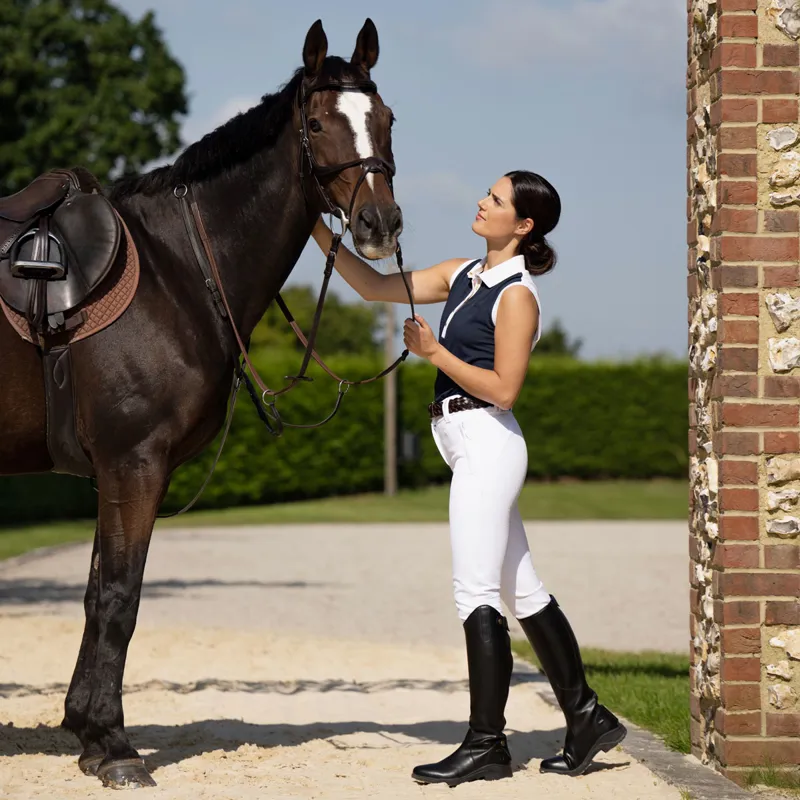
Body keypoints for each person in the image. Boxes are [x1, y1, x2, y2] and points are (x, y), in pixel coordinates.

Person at [310, 170, 626, 786]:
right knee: (524, 592)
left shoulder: (518, 296)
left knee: (474, 591)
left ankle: (486, 745)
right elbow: (373, 287)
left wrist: (435, 354)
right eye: (488, 192)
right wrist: (316, 230)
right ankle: (587, 717)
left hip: (489, 443)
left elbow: (505, 389)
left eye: (497, 199)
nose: (482, 202)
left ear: (524, 225)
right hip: (468, 445)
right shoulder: (462, 274)